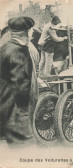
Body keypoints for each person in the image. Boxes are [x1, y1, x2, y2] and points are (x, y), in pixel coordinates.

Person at [0, 16, 38, 145]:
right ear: (29, 32)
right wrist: (24, 116)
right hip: (15, 113)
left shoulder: (5, 47)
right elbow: (21, 88)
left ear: (10, 32)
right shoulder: (19, 51)